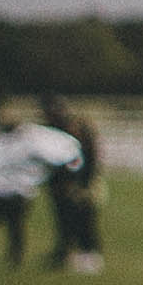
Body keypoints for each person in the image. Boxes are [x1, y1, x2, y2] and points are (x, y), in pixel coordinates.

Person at [0, 107, 78, 268]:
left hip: (18, 191)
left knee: (13, 227)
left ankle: (13, 259)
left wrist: (64, 168)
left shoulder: (29, 141)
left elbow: (54, 157)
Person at [35, 89, 105, 271]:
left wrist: (83, 183)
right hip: (60, 184)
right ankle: (65, 253)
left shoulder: (76, 128)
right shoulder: (52, 129)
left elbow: (89, 156)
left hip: (78, 182)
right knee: (63, 220)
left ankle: (90, 256)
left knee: (84, 219)